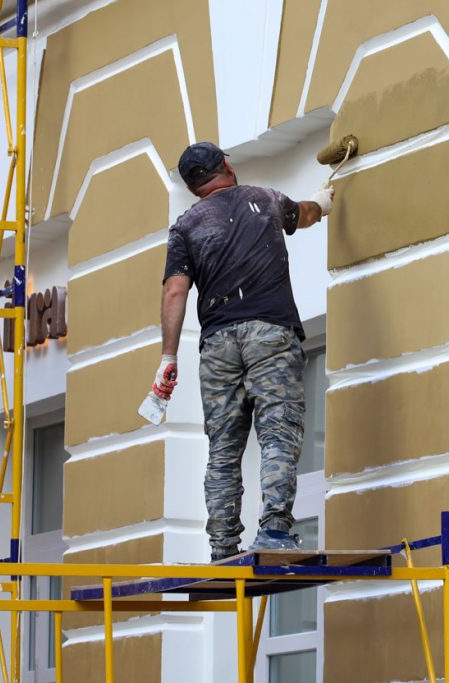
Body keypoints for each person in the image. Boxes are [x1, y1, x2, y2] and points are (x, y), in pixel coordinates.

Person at [152, 141, 333, 561]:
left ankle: (222, 547)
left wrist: (168, 356)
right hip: (269, 334)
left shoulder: (186, 227)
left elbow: (175, 289)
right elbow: (302, 214)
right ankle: (272, 529)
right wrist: (323, 203)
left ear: (192, 186)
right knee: (278, 432)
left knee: (223, 449)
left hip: (217, 346)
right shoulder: (263, 200)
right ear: (226, 166)